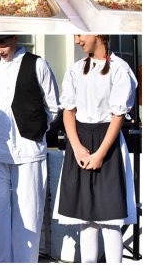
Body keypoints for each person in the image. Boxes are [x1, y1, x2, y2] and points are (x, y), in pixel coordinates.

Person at [53, 35, 137, 263]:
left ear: (98, 33)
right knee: (86, 218)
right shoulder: (75, 70)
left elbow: (118, 115)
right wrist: (77, 148)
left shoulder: (119, 69)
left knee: (111, 220)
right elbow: (68, 111)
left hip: (106, 142)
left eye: (81, 35)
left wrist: (100, 153)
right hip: (79, 140)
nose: (76, 40)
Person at [0, 35, 59, 262]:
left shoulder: (37, 64)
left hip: (28, 148)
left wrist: (36, 131)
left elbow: (53, 106)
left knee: (28, 211)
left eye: (3, 44)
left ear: (15, 38)